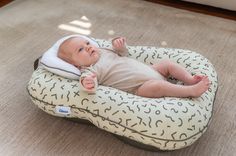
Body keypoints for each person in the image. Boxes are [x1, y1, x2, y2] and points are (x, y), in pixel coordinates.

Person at [58, 36, 210, 98]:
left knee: (167, 63)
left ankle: (189, 79)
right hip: (140, 87)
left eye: (87, 43)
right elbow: (86, 81)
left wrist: (120, 46)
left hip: (151, 70)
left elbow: (124, 54)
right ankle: (189, 91)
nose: (88, 47)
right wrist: (88, 83)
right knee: (157, 86)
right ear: (75, 64)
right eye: (80, 50)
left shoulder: (102, 50)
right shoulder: (89, 70)